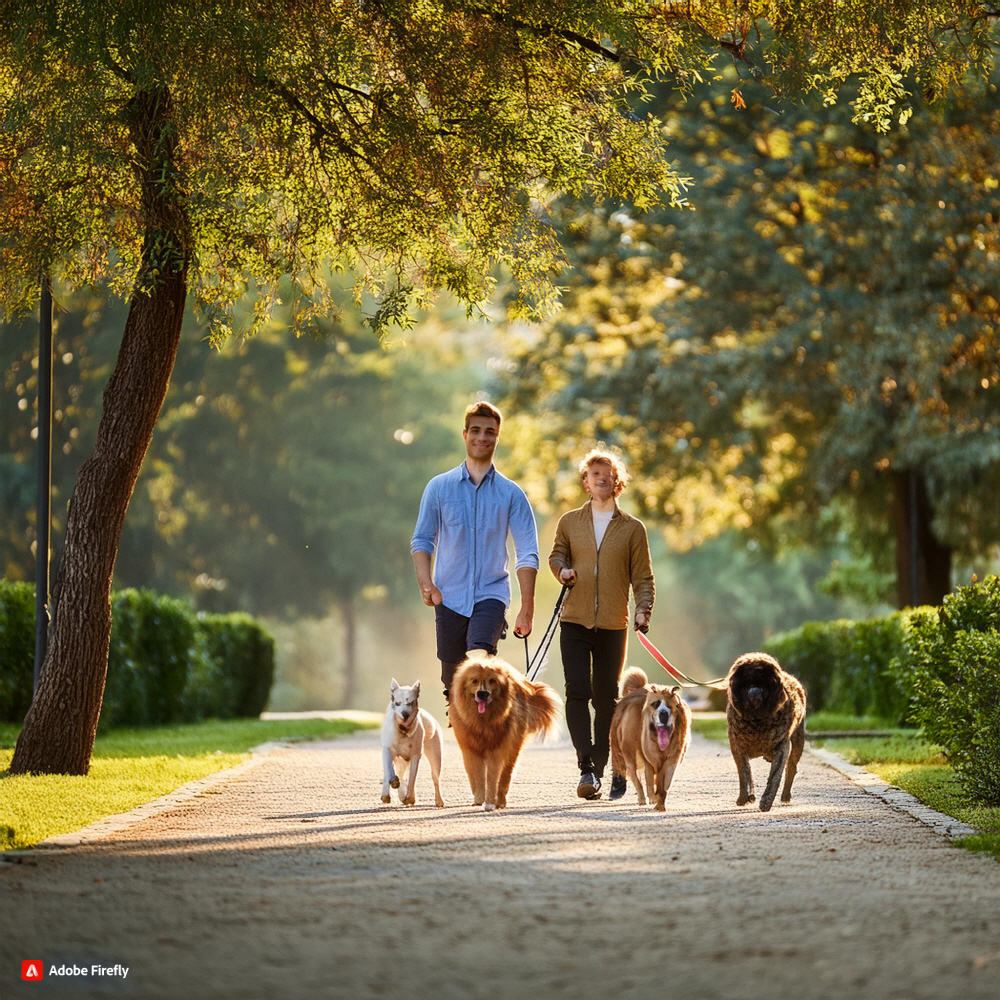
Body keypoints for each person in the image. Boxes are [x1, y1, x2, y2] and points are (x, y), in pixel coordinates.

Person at [411, 402, 539, 702]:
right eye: (477, 431)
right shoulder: (439, 488)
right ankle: (465, 733)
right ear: (465, 434)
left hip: (491, 594)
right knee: (452, 680)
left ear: (497, 437)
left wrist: (527, 607)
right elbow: (421, 540)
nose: (483, 437)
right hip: (448, 594)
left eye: (490, 432)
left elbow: (528, 553)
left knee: (478, 660)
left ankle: (484, 740)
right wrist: (425, 583)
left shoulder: (511, 494)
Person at [548, 448, 654, 800]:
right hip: (574, 620)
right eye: (594, 473)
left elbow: (642, 577)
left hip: (613, 623)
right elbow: (556, 553)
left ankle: (607, 762)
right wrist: (562, 570)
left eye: (607, 473)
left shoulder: (632, 529)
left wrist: (643, 609)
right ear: (586, 481)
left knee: (606, 698)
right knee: (577, 692)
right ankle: (587, 768)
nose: (601, 478)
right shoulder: (569, 522)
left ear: (617, 481)